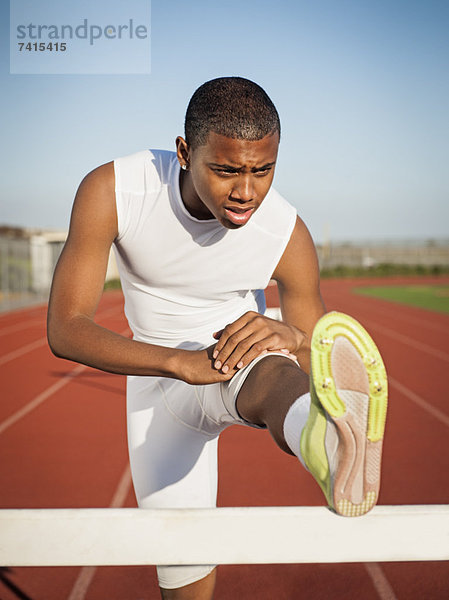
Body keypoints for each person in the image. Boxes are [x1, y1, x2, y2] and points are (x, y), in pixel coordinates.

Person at [47, 76, 388, 600]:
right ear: (185, 152)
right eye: (226, 169)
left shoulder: (285, 232)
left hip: (237, 360)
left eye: (263, 169)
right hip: (158, 385)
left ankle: (326, 442)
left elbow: (318, 348)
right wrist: (180, 363)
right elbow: (66, 327)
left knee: (276, 370)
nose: (246, 191)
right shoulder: (117, 189)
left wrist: (292, 335)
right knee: (185, 583)